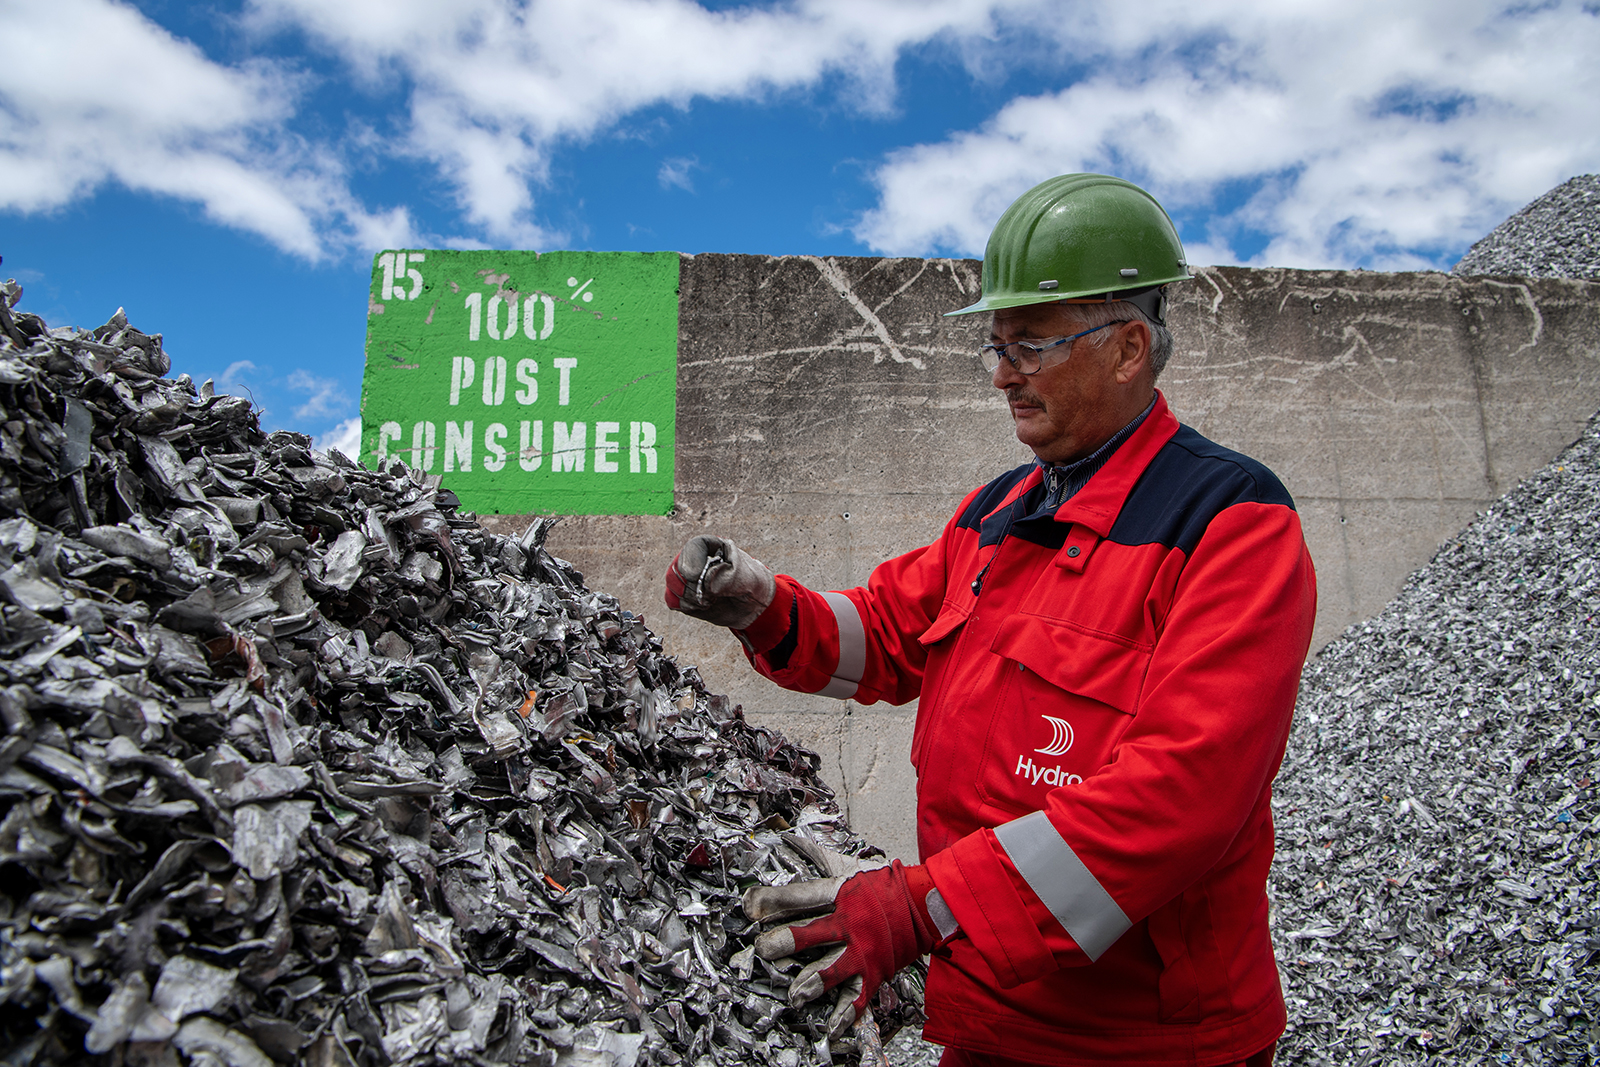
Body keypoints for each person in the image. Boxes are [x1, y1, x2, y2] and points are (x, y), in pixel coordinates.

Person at [664, 173, 1316, 1067]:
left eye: (1032, 345)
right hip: (990, 1011)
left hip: (1148, 1042)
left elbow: (1182, 796)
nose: (1004, 373)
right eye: (997, 346)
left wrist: (925, 904)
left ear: (1129, 348)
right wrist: (765, 607)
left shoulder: (1229, 522)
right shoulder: (999, 512)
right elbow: (886, 635)